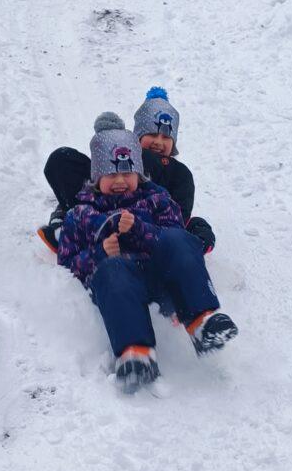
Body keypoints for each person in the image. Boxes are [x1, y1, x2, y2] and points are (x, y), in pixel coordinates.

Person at [56, 120, 238, 390]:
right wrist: (100, 253)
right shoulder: (81, 214)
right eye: (111, 174)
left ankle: (202, 321)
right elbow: (68, 262)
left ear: (139, 173)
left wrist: (139, 230)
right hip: (121, 287)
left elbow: (175, 237)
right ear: (96, 177)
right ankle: (136, 352)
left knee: (180, 240)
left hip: (162, 278)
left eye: (128, 173)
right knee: (113, 270)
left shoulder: (157, 199)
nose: (120, 181)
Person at [39, 88, 215, 253]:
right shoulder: (120, 156)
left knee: (197, 225)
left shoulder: (177, 173)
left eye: (166, 137)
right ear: (136, 137)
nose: (158, 142)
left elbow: (180, 210)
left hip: (150, 226)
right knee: (61, 159)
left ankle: (185, 241)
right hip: (101, 213)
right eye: (152, 135)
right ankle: (72, 223)